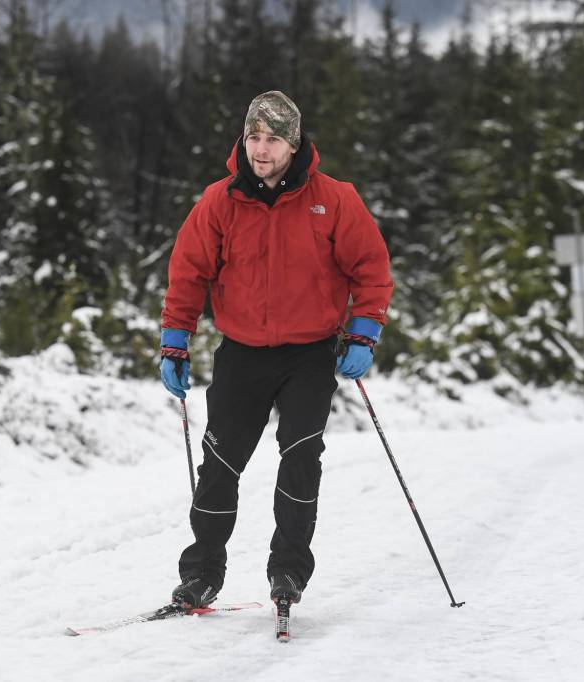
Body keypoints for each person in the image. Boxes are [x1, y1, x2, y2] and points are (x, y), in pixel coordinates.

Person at [158, 90, 393, 610]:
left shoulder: (333, 199)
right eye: (253, 138)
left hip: (310, 353)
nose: (261, 150)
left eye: (273, 140)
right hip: (242, 351)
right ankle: (201, 575)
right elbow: (188, 273)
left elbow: (371, 270)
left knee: (301, 456)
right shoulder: (220, 201)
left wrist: (364, 331)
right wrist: (176, 338)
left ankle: (287, 571)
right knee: (220, 462)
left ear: (294, 144)